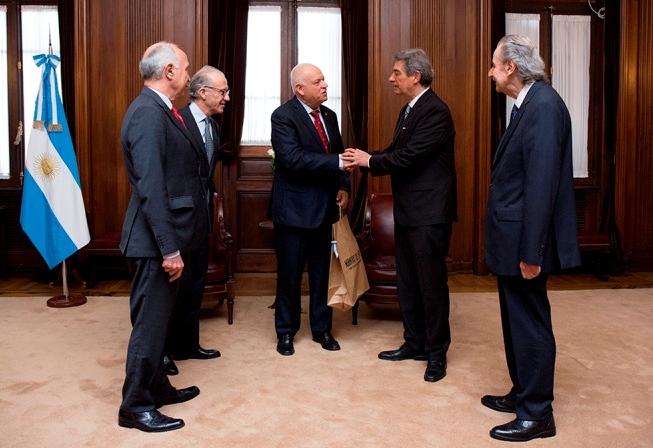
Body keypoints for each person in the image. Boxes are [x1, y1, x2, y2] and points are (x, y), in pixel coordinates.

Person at [483, 34, 580, 442]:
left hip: (525, 242)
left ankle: (537, 413)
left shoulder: (542, 106)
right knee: (516, 321)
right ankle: (523, 392)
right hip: (513, 237)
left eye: (493, 64)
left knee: (531, 324)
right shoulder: (529, 103)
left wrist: (532, 252)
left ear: (511, 68)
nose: (489, 72)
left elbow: (542, 186)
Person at [342, 48, 457, 383]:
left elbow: (410, 159)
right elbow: (396, 152)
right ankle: (415, 342)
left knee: (431, 286)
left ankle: (437, 355)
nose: (391, 79)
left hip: (430, 215)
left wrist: (369, 162)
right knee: (409, 282)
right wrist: (368, 157)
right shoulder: (410, 110)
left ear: (415, 76)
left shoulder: (436, 111)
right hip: (408, 212)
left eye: (396, 73)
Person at [118, 42, 206, 432]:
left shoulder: (160, 110)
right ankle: (135, 407)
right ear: (169, 71)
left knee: (159, 323)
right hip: (154, 243)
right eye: (185, 69)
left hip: (163, 237)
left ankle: (157, 388)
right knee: (150, 327)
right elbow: (152, 186)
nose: (189, 76)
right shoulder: (147, 114)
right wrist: (170, 249)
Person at [270, 63, 350, 356]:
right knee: (289, 277)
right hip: (293, 210)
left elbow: (339, 153)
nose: (325, 85)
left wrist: (344, 186)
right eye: (318, 82)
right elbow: (293, 159)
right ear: (300, 89)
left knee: (322, 275)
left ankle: (322, 330)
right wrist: (338, 163)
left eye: (324, 80)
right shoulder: (283, 116)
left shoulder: (329, 116)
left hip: (325, 208)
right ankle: (286, 332)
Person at [163, 66, 230, 376]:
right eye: (223, 92)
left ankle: (188, 344)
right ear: (203, 93)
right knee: (170, 292)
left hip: (202, 220)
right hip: (178, 220)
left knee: (194, 286)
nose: (227, 98)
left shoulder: (213, 128)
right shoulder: (175, 121)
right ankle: (162, 351)